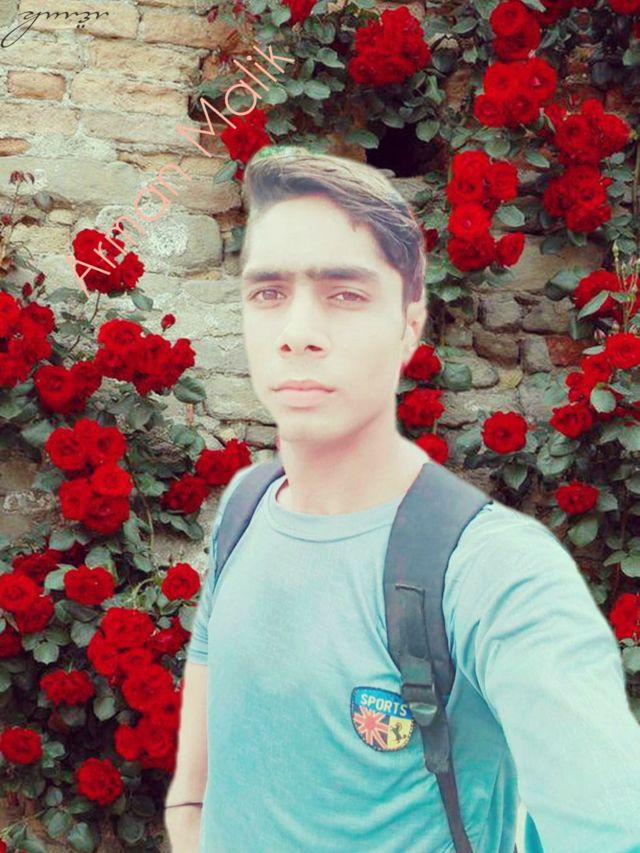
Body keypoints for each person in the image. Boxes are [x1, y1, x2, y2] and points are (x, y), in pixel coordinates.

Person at [164, 146, 640, 853]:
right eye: (268, 292)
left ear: (409, 324)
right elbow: (207, 747)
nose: (297, 334)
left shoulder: (492, 568)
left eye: (345, 294)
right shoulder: (245, 506)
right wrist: (187, 815)